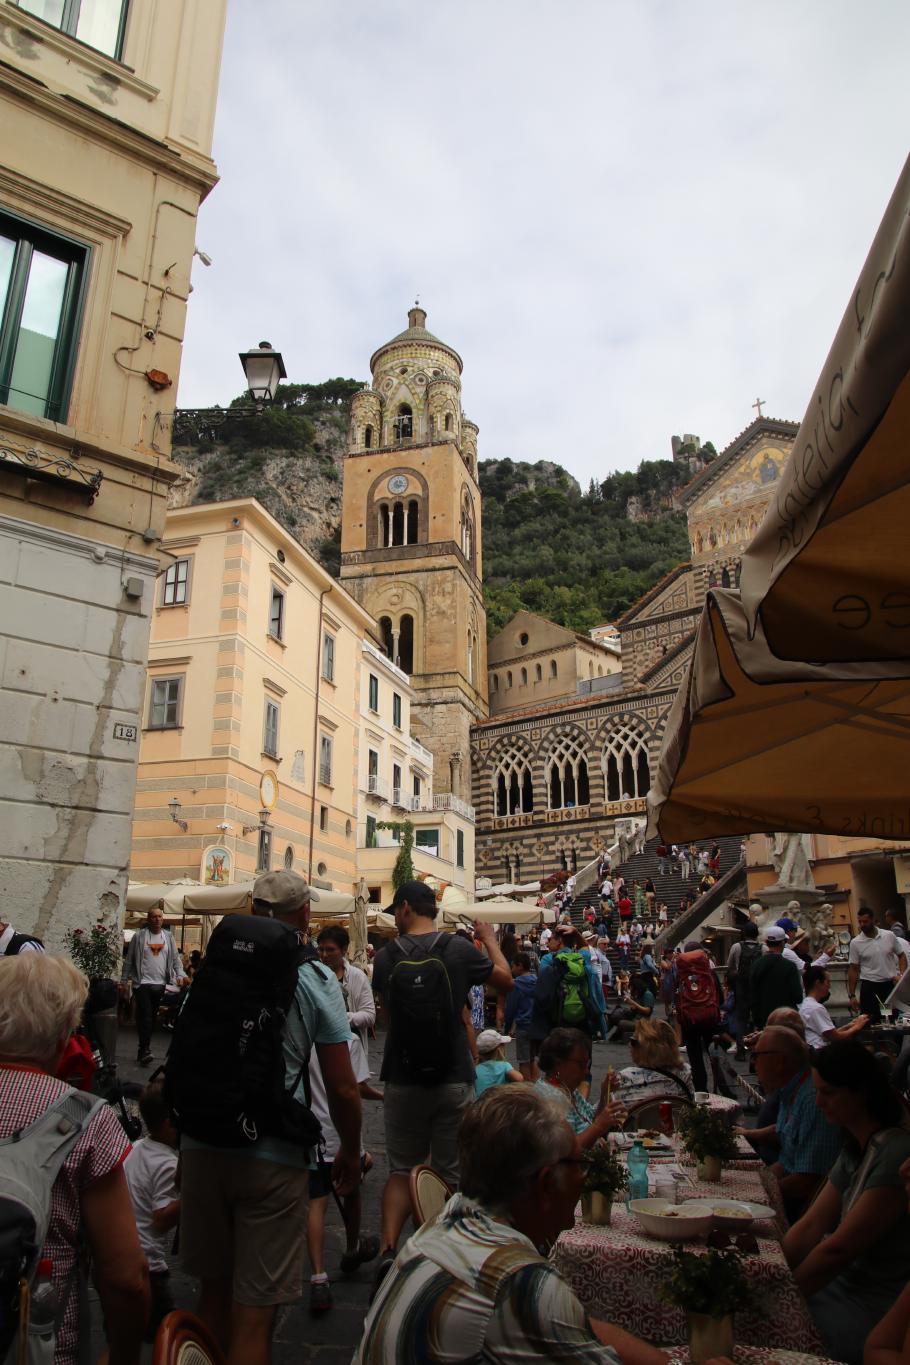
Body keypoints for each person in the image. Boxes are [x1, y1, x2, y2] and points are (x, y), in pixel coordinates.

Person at [179, 870, 362, 1365]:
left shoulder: (214, 971)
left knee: (211, 1297)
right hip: (273, 1154)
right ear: (305, 914)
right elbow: (344, 1086)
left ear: (253, 908)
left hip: (201, 1142)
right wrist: (347, 1146)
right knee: (255, 1318)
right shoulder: (316, 978)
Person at [355, 1087, 665, 1365]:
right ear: (545, 1184)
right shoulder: (521, 1282)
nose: (583, 1178)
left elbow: (574, 1326)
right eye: (578, 1165)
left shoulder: (451, 1216)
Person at [0, 953, 148, 1365]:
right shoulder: (84, 1117)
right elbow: (125, 1278)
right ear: (67, 1031)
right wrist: (122, 1353)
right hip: (36, 1348)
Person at [371, 880, 512, 1292]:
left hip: (403, 1074)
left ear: (405, 909)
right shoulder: (458, 949)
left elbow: (388, 1015)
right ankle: (441, 1259)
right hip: (453, 1073)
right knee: (449, 1172)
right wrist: (489, 939)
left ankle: (388, 1249)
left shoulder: (384, 957)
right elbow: (506, 981)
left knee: (400, 1169)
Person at [782, 1041, 910, 1365]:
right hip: (843, 1290)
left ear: (861, 1092)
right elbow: (811, 1225)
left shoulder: (895, 1153)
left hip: (871, 1305)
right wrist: (771, 1272)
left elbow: (838, 1251)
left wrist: (781, 1297)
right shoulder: (857, 1146)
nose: (819, 1102)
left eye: (829, 1092)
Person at [306, 1033, 378, 1315]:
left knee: (316, 1201)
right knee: (353, 1190)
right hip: (342, 1130)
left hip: (312, 1130)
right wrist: (384, 1095)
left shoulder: (306, 1037)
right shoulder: (348, 1040)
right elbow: (355, 1088)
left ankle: (318, 1275)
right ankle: (351, 1248)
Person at [742, 1025, 842, 1221]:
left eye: (756, 1056)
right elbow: (788, 1159)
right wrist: (753, 1183)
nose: (753, 1065)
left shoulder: (812, 1099)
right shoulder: (789, 1090)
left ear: (778, 1061)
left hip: (802, 1213)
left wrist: (755, 1195)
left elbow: (807, 1181)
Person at [123, 1079, 180, 1340]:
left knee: (123, 1339)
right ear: (169, 1121)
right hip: (148, 1266)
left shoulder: (136, 1148)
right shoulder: (167, 1164)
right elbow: (160, 1220)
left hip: (121, 1254)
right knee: (168, 1336)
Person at [534, 1028, 627, 1147]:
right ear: (558, 1063)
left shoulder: (568, 1089)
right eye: (581, 1064)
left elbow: (591, 1119)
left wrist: (605, 1093)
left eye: (587, 1064)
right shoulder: (551, 1099)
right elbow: (567, 1151)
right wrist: (599, 1125)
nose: (586, 1071)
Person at [123, 906, 186, 1066]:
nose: (157, 919)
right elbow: (129, 959)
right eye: (154, 917)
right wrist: (124, 980)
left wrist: (179, 974)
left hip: (160, 983)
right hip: (142, 982)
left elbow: (175, 959)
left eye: (159, 917)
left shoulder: (168, 937)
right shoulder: (139, 937)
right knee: (146, 1015)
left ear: (162, 920)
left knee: (151, 1017)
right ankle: (145, 1050)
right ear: (148, 920)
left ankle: (143, 1048)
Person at [316, 924, 377, 1070]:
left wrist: (341, 1018)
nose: (324, 955)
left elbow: (369, 1015)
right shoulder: (313, 976)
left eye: (330, 950)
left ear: (344, 950)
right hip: (319, 1052)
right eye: (321, 949)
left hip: (350, 1051)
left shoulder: (357, 977)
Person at [673, 941, 721, 1093]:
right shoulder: (709, 973)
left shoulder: (681, 974)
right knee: (714, 1054)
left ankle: (701, 1090)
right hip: (709, 1018)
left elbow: (678, 998)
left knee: (695, 1058)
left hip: (690, 1021)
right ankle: (723, 1087)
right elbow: (719, 996)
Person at [614, 1018, 693, 1105]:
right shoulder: (685, 1071)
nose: (629, 1045)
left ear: (647, 1049)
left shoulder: (625, 1077)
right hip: (675, 1118)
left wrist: (604, 1093)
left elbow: (599, 1115)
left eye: (633, 1041)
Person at [848, 908, 908, 1024]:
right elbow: (853, 969)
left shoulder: (889, 936)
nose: (862, 925)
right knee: (869, 1021)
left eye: (865, 922)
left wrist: (901, 976)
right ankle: (873, 1042)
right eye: (859, 922)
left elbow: (902, 955)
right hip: (869, 987)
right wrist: (852, 995)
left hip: (887, 987)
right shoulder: (856, 943)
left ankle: (890, 1041)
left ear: (873, 920)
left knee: (889, 1020)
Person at [800, 965, 870, 1048]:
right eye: (828, 982)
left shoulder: (807, 1004)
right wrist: (856, 1027)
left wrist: (850, 1025)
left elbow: (828, 1034)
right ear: (818, 983)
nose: (829, 986)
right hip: (819, 1052)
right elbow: (835, 1037)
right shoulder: (815, 1008)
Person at [749, 926, 803, 1028]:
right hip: (787, 1020)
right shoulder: (789, 966)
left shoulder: (756, 965)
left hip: (764, 1020)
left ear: (766, 942)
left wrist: (757, 1020)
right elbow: (798, 997)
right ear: (783, 943)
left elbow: (753, 996)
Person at [726, 920, 762, 1055]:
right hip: (757, 988)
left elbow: (730, 966)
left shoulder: (737, 947)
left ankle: (740, 1048)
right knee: (757, 1019)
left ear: (744, 933)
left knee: (741, 1018)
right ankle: (756, 1048)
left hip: (741, 988)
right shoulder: (763, 948)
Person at [504, 952, 539, 1080]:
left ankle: (528, 1090)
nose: (512, 969)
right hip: (536, 1025)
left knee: (523, 1060)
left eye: (513, 966)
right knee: (533, 1058)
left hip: (523, 1025)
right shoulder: (537, 981)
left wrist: (507, 1028)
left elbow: (511, 1009)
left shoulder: (516, 984)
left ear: (520, 966)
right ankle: (536, 1087)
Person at [605, 973, 655, 1042]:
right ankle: (603, 1033)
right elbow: (635, 1009)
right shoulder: (639, 994)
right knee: (615, 1015)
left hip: (642, 1022)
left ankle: (615, 1036)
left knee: (621, 1023)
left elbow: (647, 1011)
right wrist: (631, 1004)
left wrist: (633, 1003)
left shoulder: (648, 995)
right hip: (635, 1017)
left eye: (632, 988)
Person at [474, 1029, 523, 1096]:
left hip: (481, 1103)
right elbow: (519, 1078)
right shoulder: (504, 1066)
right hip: (499, 1102)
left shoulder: (475, 1068)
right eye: (503, 1045)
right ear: (498, 1049)